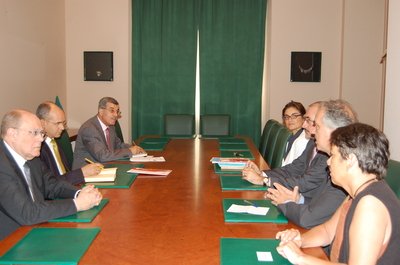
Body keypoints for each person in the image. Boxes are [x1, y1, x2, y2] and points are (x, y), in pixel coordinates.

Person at [276, 123, 400, 264]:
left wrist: (301, 258)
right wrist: (299, 240)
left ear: (350, 160)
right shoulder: (357, 193)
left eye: (333, 156)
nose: (328, 162)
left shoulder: (370, 205)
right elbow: (327, 231)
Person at [242, 100, 356, 228]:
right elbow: (294, 169)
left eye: (315, 125)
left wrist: (282, 199)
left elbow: (311, 216)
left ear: (333, 131)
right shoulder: (314, 145)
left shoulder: (344, 171)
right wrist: (297, 199)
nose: (305, 126)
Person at [0, 109, 102, 240]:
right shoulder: (2, 165)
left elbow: (52, 185)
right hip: (10, 242)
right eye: (35, 133)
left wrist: (79, 193)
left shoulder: (32, 158)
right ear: (12, 134)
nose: (41, 139)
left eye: (41, 133)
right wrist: (77, 204)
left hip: (36, 228)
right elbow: (27, 213)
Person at [36, 101, 103, 185]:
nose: (62, 128)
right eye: (58, 123)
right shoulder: (37, 149)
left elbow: (65, 173)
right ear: (43, 123)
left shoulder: (54, 142)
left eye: (63, 123)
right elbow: (50, 184)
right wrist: (82, 173)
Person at [72, 97, 145, 169]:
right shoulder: (89, 129)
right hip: (86, 173)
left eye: (117, 111)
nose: (116, 115)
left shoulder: (111, 127)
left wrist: (132, 148)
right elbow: (102, 156)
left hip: (105, 166)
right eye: (112, 111)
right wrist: (130, 151)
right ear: (101, 111)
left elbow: (118, 145)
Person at [281, 100, 309, 166]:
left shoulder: (302, 140)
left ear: (303, 118)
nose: (290, 120)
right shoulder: (290, 137)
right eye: (286, 117)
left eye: (294, 116)